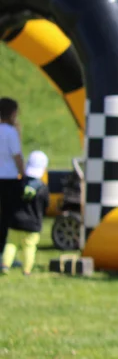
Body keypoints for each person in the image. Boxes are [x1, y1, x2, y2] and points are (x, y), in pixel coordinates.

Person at [1, 150, 48, 275]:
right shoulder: (42, 188)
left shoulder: (18, 183)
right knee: (29, 247)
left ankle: (5, 265)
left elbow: (10, 200)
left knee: (11, 244)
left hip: (15, 221)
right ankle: (26, 270)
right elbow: (46, 205)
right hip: (33, 224)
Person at [0, 97, 26, 263]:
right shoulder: (10, 132)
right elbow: (17, 157)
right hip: (9, 179)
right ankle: (5, 253)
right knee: (7, 218)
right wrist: (23, 174)